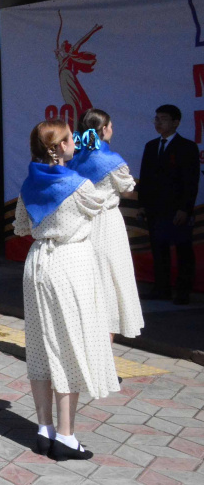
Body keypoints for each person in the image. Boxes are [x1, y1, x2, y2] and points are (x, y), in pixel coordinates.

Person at [14, 119, 117, 461]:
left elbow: (21, 226)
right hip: (71, 263)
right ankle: (66, 436)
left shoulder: (29, 183)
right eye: (71, 138)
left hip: (37, 263)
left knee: (41, 347)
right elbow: (103, 202)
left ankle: (44, 429)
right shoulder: (78, 184)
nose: (75, 142)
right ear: (59, 147)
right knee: (69, 348)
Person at [69, 109, 144, 340]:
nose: (112, 129)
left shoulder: (75, 157)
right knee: (110, 277)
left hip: (82, 222)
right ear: (103, 129)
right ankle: (105, 345)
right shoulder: (111, 160)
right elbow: (128, 190)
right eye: (110, 126)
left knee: (87, 278)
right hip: (108, 222)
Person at [138, 104, 199, 304]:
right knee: (159, 249)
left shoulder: (187, 147)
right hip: (155, 208)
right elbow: (145, 177)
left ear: (176, 122)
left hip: (177, 209)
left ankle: (183, 291)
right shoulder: (151, 146)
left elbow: (191, 181)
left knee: (182, 249)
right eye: (156, 118)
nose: (158, 123)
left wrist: (185, 209)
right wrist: (142, 205)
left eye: (163, 119)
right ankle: (161, 288)